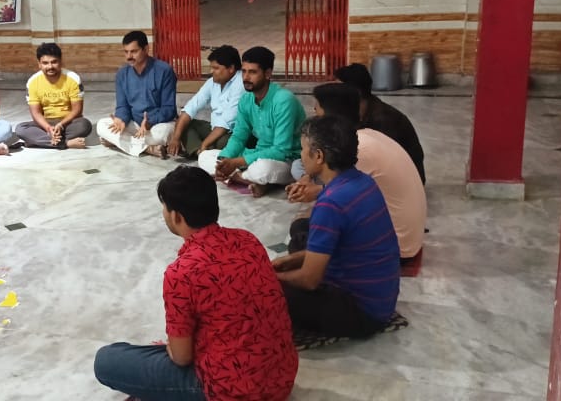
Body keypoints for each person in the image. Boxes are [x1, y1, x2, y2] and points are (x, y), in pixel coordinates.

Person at [93, 166, 296, 400]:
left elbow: (181, 357)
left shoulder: (181, 273)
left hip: (232, 391)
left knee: (107, 360)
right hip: (281, 379)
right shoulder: (247, 239)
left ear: (176, 216)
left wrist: (172, 347)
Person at [274, 116, 400, 338]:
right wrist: (292, 260)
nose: (301, 155)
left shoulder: (330, 203)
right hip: (382, 300)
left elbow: (309, 280)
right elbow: (344, 246)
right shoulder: (364, 181)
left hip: (362, 313)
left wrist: (271, 278)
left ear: (319, 156)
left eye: (303, 149)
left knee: (262, 289)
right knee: (301, 232)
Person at [288, 83, 426, 263]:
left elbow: (340, 200)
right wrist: (309, 181)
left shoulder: (359, 150)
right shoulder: (367, 135)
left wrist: (315, 192)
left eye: (317, 111)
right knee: (308, 223)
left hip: (395, 248)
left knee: (301, 236)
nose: (313, 116)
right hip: (404, 238)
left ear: (328, 121)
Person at [199, 47, 306, 197]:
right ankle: (251, 180)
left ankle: (243, 178)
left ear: (268, 73)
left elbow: (281, 150)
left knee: (262, 170)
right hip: (257, 154)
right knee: (205, 157)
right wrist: (224, 161)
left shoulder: (283, 100)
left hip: (286, 160)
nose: (246, 77)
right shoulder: (246, 99)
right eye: (244, 71)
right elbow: (239, 137)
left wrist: (237, 163)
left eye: (253, 72)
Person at [334, 63, 426, 183]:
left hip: (404, 181)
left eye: (337, 90)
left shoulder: (384, 120)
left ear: (355, 93)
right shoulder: (355, 112)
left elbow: (381, 163)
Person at [96, 31, 178, 157]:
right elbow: (122, 106)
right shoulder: (122, 74)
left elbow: (169, 109)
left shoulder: (164, 70)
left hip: (157, 125)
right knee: (102, 125)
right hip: (134, 123)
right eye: (126, 52)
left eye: (134, 51)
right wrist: (121, 119)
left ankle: (120, 143)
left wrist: (149, 122)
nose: (129, 56)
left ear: (146, 49)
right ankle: (147, 149)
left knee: (162, 133)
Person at [166, 45, 244, 159]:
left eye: (216, 68)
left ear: (231, 68)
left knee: (223, 143)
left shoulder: (240, 83)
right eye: (211, 67)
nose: (211, 71)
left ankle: (202, 150)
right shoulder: (212, 82)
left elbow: (226, 123)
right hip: (214, 128)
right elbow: (190, 108)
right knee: (183, 124)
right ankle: (202, 153)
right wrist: (175, 139)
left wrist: (204, 144)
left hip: (231, 133)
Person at [14, 43, 92, 149]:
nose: (50, 67)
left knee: (85, 125)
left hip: (68, 123)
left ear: (61, 61)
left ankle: (39, 141)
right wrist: (48, 128)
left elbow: (77, 110)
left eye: (54, 62)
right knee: (20, 129)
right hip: (45, 123)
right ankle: (65, 143)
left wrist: (61, 125)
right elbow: (36, 113)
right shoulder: (32, 82)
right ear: (39, 64)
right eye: (45, 63)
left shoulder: (73, 78)